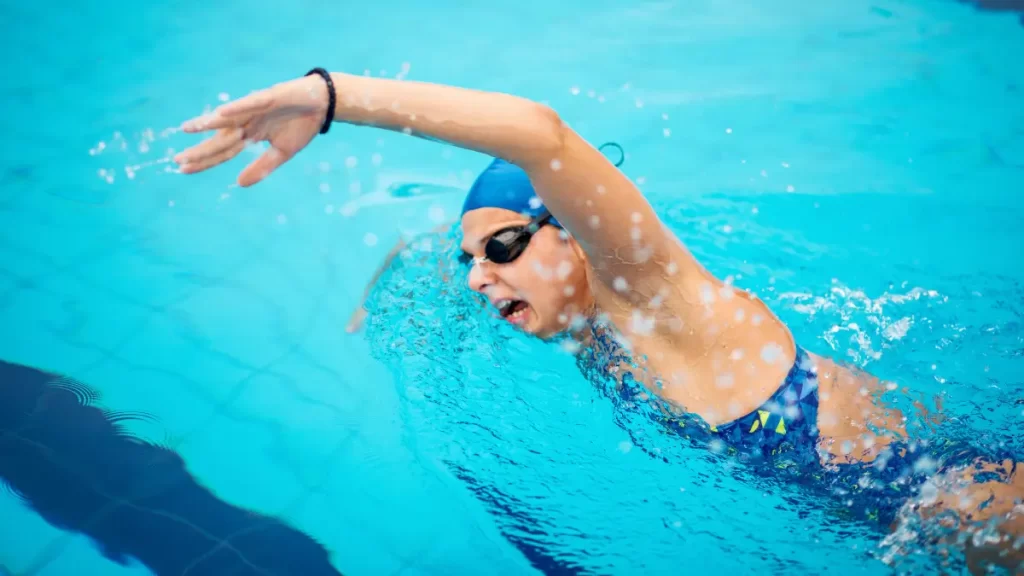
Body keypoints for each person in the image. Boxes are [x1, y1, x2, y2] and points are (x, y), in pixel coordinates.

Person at [174, 68, 1022, 572]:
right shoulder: (581, 324)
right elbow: (444, 250)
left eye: (501, 248)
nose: (477, 278)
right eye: (468, 260)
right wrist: (388, 278)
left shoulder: (659, 302)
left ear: (573, 236)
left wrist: (330, 98)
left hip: (962, 502)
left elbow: (541, 135)